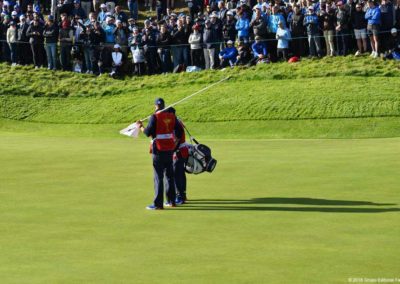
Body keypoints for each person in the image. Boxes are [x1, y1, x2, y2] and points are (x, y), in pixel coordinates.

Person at [137, 98, 183, 210]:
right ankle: (171, 201)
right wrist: (174, 142)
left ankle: (158, 204)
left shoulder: (155, 117)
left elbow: (147, 132)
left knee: (158, 177)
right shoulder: (172, 116)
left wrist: (140, 126)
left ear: (155, 106)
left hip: (158, 150)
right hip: (169, 149)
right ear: (164, 105)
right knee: (169, 176)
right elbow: (179, 131)